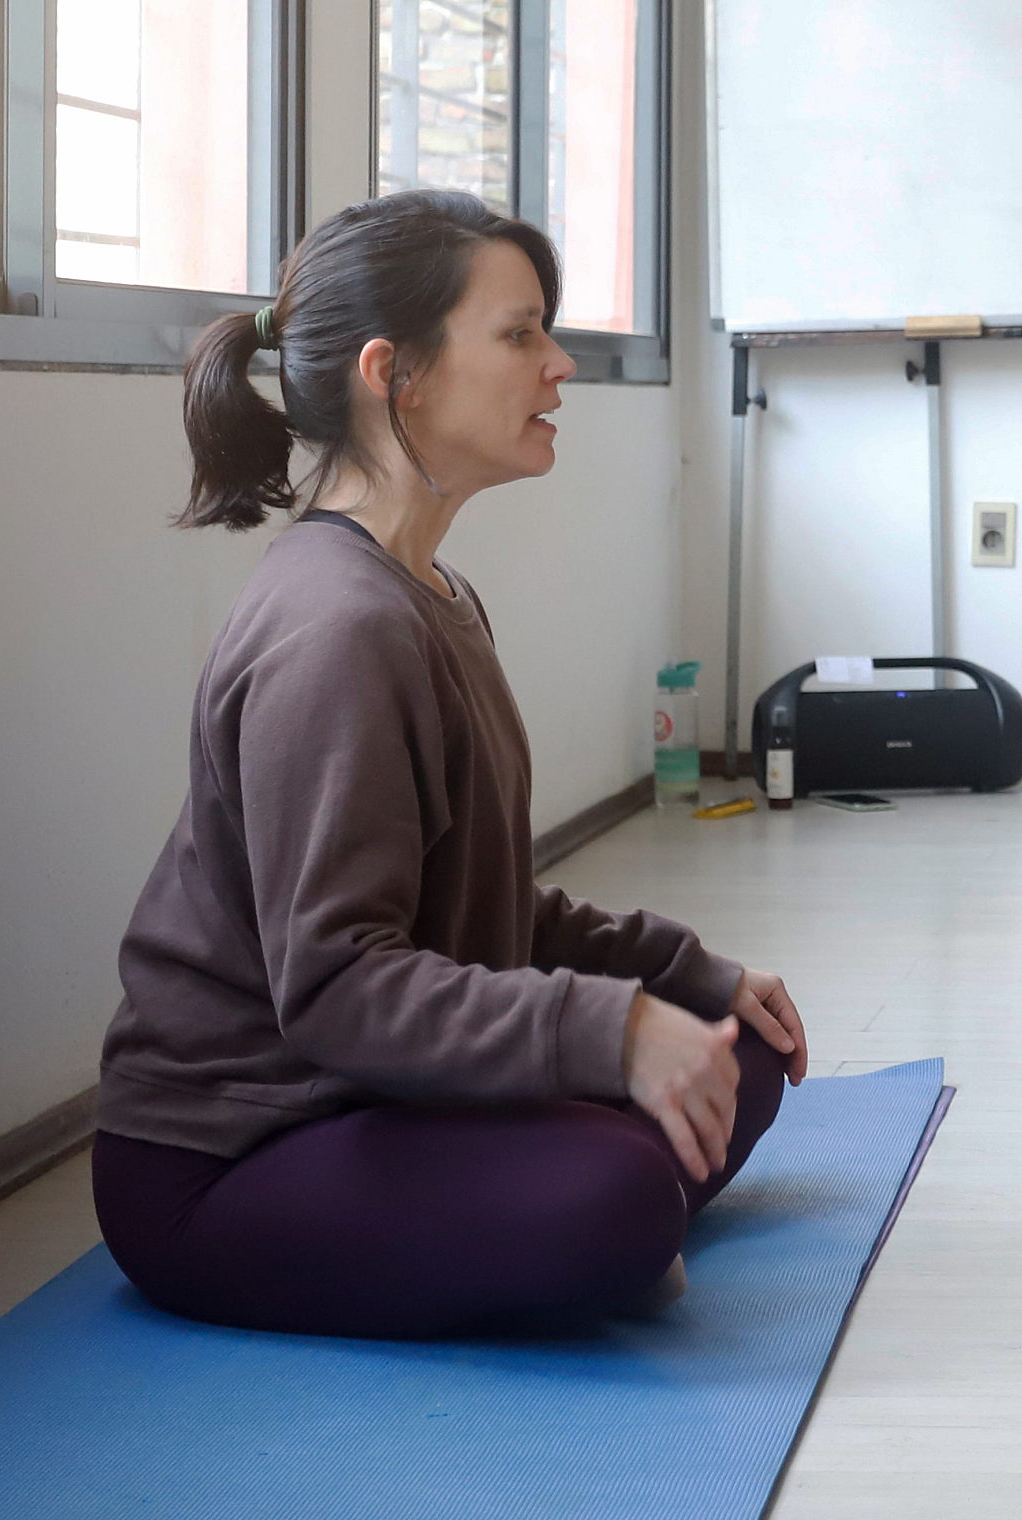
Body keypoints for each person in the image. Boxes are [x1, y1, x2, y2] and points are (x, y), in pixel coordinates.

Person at [93, 190, 809, 1339]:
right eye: (521, 333)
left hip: (382, 1088)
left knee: (742, 1046)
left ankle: (561, 1209)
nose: (561, 365)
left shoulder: (429, 593)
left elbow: (479, 904)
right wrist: (615, 1032)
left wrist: (687, 974)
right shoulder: (337, 628)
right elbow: (336, 986)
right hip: (235, 1153)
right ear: (396, 373)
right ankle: (593, 1217)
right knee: (621, 1186)